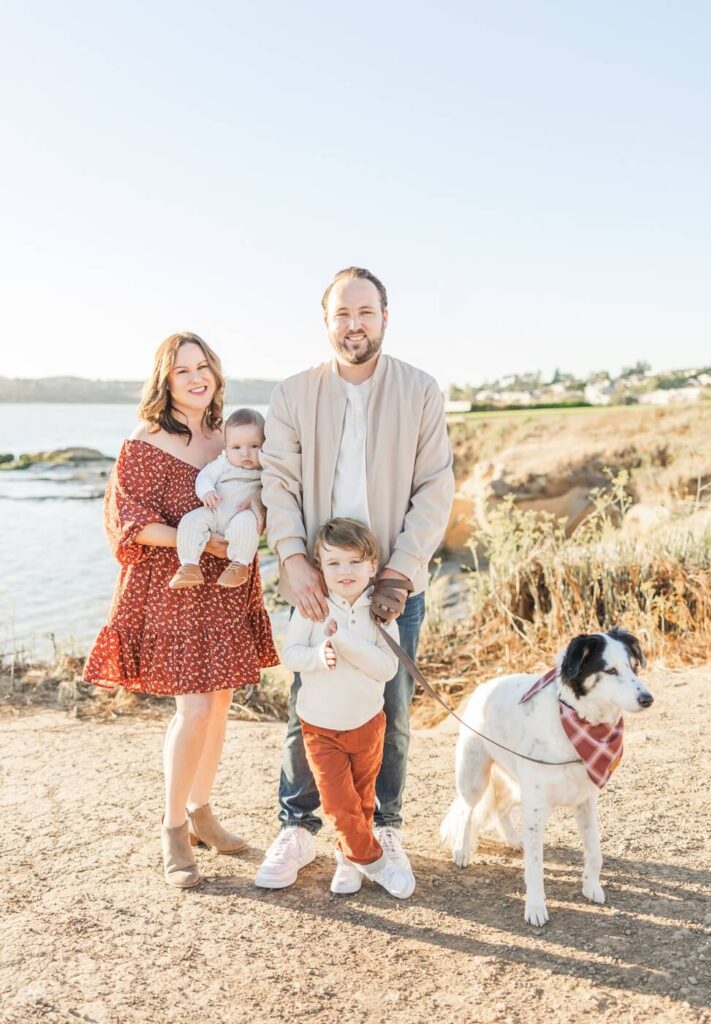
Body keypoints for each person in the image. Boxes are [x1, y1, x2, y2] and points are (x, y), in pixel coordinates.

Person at [256, 267, 454, 891]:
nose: (354, 325)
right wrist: (291, 559)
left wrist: (398, 574)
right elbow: (279, 486)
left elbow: (435, 488)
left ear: (385, 317)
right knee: (307, 702)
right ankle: (299, 827)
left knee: (391, 707)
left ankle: (382, 825)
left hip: (391, 580)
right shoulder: (293, 394)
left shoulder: (420, 390)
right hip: (318, 577)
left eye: (365, 312)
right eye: (342, 314)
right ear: (326, 321)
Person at [83, 332, 278, 888]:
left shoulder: (231, 438)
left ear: (216, 374)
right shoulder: (143, 442)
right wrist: (199, 543)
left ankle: (201, 813)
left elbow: (262, 493)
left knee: (219, 708)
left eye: (204, 367)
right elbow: (129, 522)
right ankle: (171, 827)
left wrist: (253, 527)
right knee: (192, 711)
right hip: (173, 586)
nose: (197, 378)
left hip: (227, 587)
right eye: (182, 370)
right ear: (164, 381)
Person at [281, 517, 413, 899]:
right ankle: (376, 864)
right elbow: (291, 655)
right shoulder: (313, 607)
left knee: (362, 799)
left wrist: (345, 643)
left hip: (368, 723)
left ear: (374, 567)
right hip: (320, 726)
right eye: (334, 563)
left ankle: (347, 857)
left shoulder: (383, 611)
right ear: (320, 566)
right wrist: (320, 655)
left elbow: (388, 669)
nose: (345, 571)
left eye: (355, 562)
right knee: (339, 804)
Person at [169, 407, 264, 590]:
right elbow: (205, 477)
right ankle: (189, 564)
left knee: (247, 524)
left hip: (240, 514)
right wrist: (206, 492)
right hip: (215, 510)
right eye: (237, 447)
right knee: (190, 520)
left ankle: (240, 564)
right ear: (226, 447)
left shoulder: (265, 469)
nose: (245, 453)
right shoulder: (223, 463)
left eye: (254, 446)